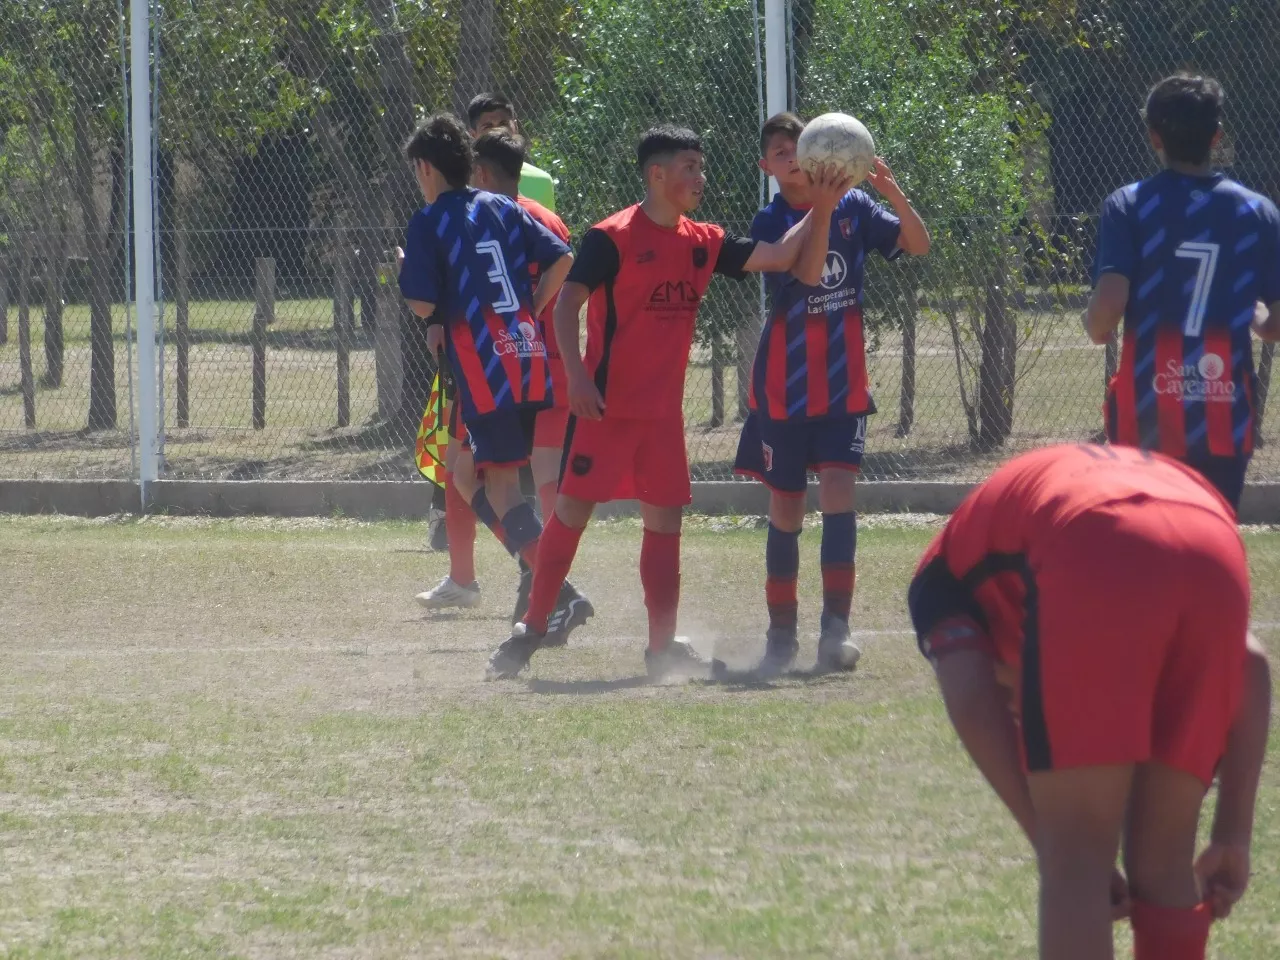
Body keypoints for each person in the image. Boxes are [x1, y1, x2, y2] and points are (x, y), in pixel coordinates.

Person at [486, 124, 850, 682]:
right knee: (571, 514)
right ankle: (531, 629)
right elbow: (565, 305)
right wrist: (579, 379)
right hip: (606, 412)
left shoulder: (701, 240)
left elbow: (780, 256)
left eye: (700, 167)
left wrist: (822, 207)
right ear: (657, 175)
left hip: (661, 419)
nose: (700, 178)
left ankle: (661, 649)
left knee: (665, 523)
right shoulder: (613, 237)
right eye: (689, 167)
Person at [908, 443, 1271, 960]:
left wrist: (1045, 834)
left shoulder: (938, 579)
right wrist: (1233, 832)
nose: (1021, 714)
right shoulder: (1010, 530)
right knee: (1164, 864)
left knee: (1076, 858)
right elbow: (1251, 663)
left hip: (1095, 538)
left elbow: (971, 698)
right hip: (1213, 532)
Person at [734, 112, 930, 676]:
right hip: (784, 389)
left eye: (798, 146)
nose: (791, 157)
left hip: (843, 383)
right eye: (779, 152)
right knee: (788, 506)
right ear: (765, 167)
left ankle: (835, 630)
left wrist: (888, 189)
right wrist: (822, 208)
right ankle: (780, 636)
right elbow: (813, 274)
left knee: (841, 493)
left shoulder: (856, 207)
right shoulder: (771, 221)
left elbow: (918, 244)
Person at [416, 129, 593, 635]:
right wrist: (532, 311)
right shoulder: (541, 216)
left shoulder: (472, 216)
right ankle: (539, 580)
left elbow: (439, 294)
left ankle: (552, 584)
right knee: (476, 476)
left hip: (492, 368)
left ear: (482, 171)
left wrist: (444, 314)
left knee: (505, 485)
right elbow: (562, 261)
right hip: (538, 362)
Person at [1085, 73, 1280, 510]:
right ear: (1217, 136)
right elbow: (1276, 325)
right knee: (1212, 534)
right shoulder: (1257, 211)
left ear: (1154, 136)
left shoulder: (1129, 204)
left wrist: (1093, 324)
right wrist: (1256, 321)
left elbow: (1109, 307)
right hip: (1224, 412)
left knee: (1144, 540)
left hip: (1147, 412)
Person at [467, 93, 557, 212]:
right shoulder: (461, 181)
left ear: (515, 126)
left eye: (503, 124)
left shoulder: (542, 182)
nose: (498, 131)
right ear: (473, 135)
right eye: (488, 126)